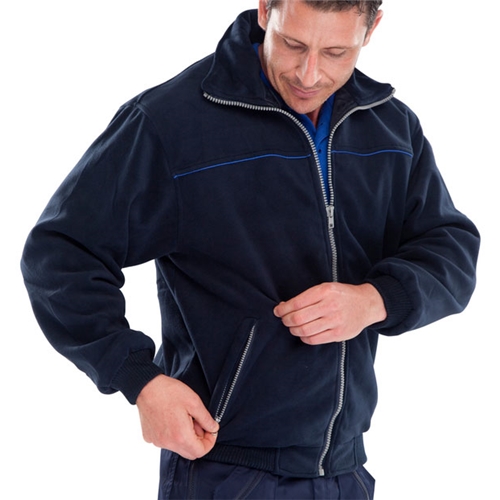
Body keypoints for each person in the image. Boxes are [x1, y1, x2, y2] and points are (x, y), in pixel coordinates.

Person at [21, 0, 480, 498]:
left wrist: (375, 300)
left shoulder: (390, 127)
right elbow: (61, 253)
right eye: (293, 44)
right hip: (225, 469)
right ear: (265, 10)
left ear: (371, 30)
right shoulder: (171, 123)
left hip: (345, 469)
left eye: (335, 53)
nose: (309, 74)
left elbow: (450, 248)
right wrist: (140, 380)